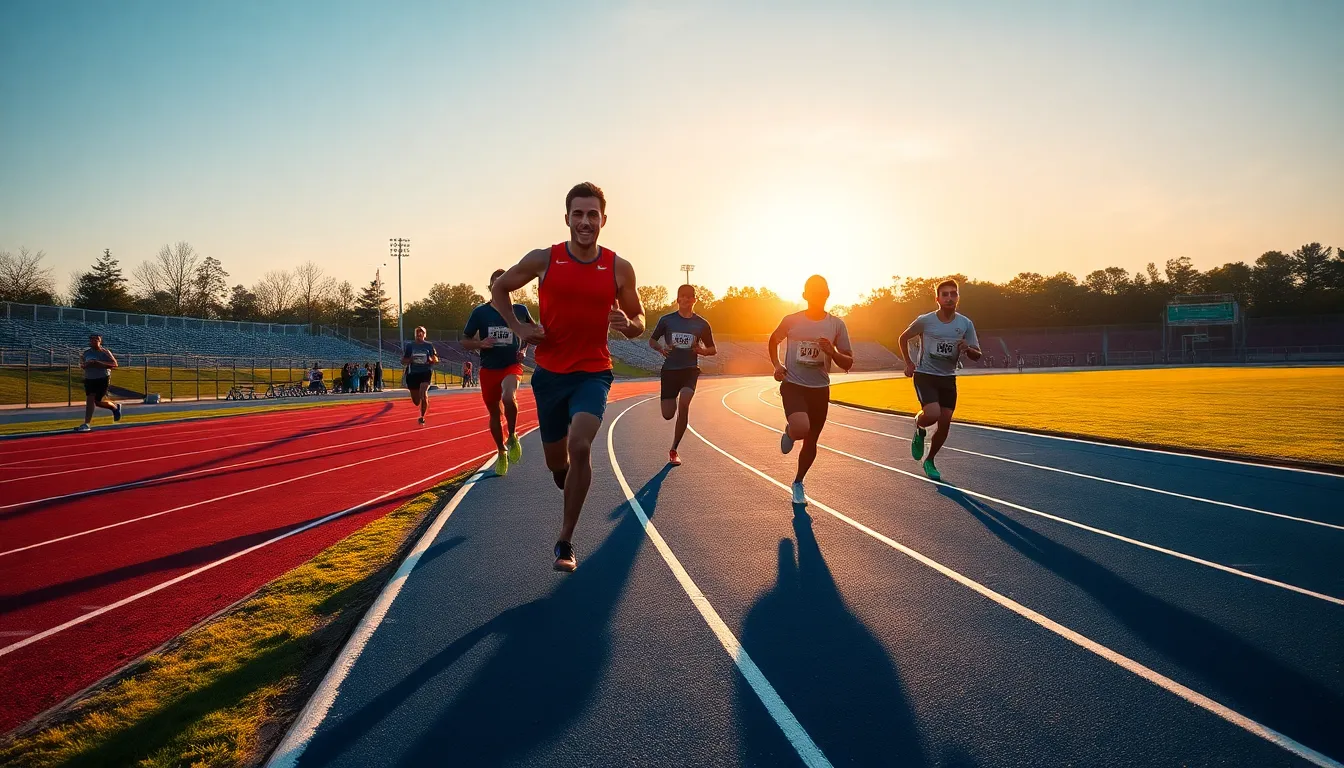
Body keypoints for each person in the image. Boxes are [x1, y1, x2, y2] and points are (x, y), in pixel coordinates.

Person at [490, 181, 644, 572]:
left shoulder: (618, 267)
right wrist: (518, 328)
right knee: (558, 463)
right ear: (567, 218)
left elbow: (640, 321)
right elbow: (500, 289)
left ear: (603, 220)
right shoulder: (544, 260)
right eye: (578, 213)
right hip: (550, 376)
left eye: (593, 214)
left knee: (581, 445)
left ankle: (565, 540)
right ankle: (567, 480)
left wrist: (628, 324)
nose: (585, 221)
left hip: (594, 372)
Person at [768, 275, 853, 505]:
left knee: (811, 440)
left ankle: (798, 482)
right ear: (805, 295)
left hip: (820, 389)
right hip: (794, 385)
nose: (817, 295)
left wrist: (832, 352)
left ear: (827, 294)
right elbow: (773, 340)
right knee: (801, 427)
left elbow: (848, 363)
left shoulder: (837, 325)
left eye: (821, 291)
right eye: (812, 291)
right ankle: (791, 431)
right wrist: (777, 365)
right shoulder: (791, 320)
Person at [898, 278, 982, 481]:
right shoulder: (925, 320)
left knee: (945, 423)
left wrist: (967, 348)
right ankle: (919, 426)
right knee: (933, 414)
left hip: (948, 378)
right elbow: (903, 338)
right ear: (937, 298)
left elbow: (977, 354)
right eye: (945, 294)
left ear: (958, 298)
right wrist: (909, 363)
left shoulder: (965, 324)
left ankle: (930, 460)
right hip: (926, 374)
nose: (950, 298)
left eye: (954, 294)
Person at [463, 268, 535, 476]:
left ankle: (512, 435)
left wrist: (523, 349)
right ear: (491, 287)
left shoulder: (520, 310)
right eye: (496, 283)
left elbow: (532, 332)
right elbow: (465, 340)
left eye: (505, 282)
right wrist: (480, 343)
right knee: (495, 413)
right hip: (489, 368)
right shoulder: (480, 312)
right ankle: (501, 451)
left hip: (511, 365)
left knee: (508, 397)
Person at [649, 284, 716, 466]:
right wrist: (661, 348)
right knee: (668, 414)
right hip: (670, 371)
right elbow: (652, 340)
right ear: (677, 299)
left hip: (689, 370)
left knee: (685, 400)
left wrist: (701, 351)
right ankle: (674, 398)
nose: (686, 300)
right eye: (682, 297)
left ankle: (674, 449)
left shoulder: (701, 324)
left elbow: (712, 349)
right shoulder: (666, 320)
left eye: (689, 297)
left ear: (694, 300)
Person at [76, 333, 122, 432]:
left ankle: (114, 407)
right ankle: (86, 423)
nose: (94, 341)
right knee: (90, 400)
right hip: (89, 379)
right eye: (92, 340)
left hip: (102, 378)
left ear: (100, 341)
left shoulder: (105, 352)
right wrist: (85, 365)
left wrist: (98, 363)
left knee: (98, 402)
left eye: (97, 339)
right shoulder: (86, 353)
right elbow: (82, 364)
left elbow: (114, 364)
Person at [402, 327, 439, 424]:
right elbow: (403, 361)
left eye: (421, 333)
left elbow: (436, 359)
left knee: (423, 393)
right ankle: (419, 400)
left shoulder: (429, 346)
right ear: (415, 335)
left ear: (425, 335)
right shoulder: (410, 346)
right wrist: (411, 359)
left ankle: (422, 416)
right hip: (413, 373)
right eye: (417, 333)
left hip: (425, 372)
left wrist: (431, 360)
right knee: (416, 401)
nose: (419, 335)